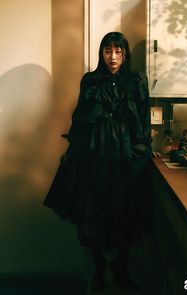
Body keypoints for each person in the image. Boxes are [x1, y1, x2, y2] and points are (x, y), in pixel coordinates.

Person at [43, 32, 152, 292]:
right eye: (107, 51)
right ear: (101, 53)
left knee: (127, 211)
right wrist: (71, 151)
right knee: (93, 212)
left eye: (117, 51)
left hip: (126, 156)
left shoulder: (136, 81)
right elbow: (80, 118)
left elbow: (144, 116)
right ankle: (100, 267)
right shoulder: (90, 81)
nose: (112, 56)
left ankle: (121, 267)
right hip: (95, 156)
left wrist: (146, 147)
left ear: (124, 54)